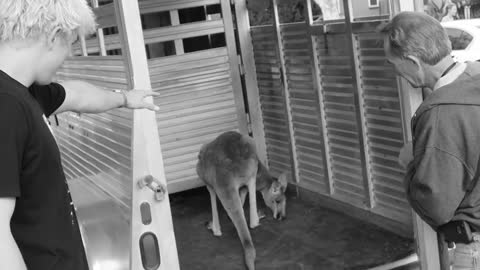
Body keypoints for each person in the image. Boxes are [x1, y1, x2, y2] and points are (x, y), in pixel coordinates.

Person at [0, 1, 159, 270]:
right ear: (53, 37)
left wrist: (123, 99)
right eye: (70, 43)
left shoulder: (24, 93)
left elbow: (76, 94)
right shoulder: (5, 106)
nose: (69, 56)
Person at [380, 12, 480, 269]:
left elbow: (435, 204)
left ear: (413, 61)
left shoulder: (440, 112)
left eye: (393, 63)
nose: (395, 73)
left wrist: (412, 162)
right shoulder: (475, 78)